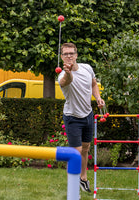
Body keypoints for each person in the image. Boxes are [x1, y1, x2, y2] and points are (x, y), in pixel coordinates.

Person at [58, 42, 105, 193]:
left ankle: (83, 178)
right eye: (66, 54)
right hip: (72, 117)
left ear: (76, 55)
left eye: (72, 53)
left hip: (88, 114)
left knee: (85, 148)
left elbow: (93, 84)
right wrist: (68, 72)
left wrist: (97, 97)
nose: (69, 56)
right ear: (62, 57)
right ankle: (72, 183)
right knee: (76, 151)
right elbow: (67, 80)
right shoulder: (63, 76)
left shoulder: (87, 68)